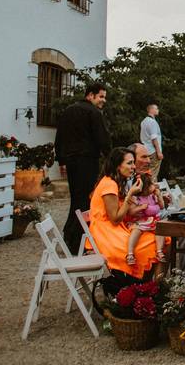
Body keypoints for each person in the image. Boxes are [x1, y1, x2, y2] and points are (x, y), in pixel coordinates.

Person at [88, 146, 165, 280]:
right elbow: (115, 219)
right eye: (129, 163)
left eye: (133, 163)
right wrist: (130, 195)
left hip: (117, 227)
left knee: (162, 239)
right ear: (118, 166)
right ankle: (143, 287)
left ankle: (150, 288)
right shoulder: (109, 185)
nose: (134, 167)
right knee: (151, 245)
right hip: (106, 232)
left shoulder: (115, 182)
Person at [55, 82, 110, 252]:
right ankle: (75, 240)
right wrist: (111, 159)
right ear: (90, 95)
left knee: (76, 198)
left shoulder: (68, 111)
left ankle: (70, 235)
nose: (103, 100)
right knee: (85, 200)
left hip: (71, 162)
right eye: (101, 96)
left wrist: (61, 160)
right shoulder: (94, 112)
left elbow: (59, 137)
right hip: (86, 161)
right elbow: (103, 139)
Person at [126, 170, 166, 265]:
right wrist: (140, 207)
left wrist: (159, 196)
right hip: (141, 221)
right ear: (143, 188)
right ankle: (130, 253)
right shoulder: (135, 198)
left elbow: (162, 206)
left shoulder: (152, 195)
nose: (154, 185)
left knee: (160, 231)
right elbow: (131, 212)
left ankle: (159, 251)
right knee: (136, 231)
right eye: (151, 184)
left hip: (153, 220)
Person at [139, 103, 163, 178]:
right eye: (156, 108)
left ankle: (146, 187)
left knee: (147, 171)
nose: (158, 110)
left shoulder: (143, 122)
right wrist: (158, 152)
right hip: (153, 151)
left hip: (146, 150)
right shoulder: (152, 122)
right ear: (151, 110)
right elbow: (154, 138)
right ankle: (151, 188)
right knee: (153, 173)